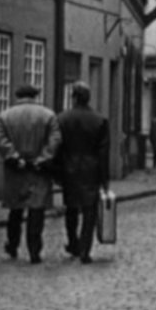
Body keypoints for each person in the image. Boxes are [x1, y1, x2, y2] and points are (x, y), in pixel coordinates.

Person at [0, 83, 61, 264]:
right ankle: (34, 251)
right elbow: (55, 140)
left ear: (18, 96)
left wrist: (14, 157)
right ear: (35, 96)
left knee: (16, 209)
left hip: (16, 171)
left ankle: (13, 245)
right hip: (39, 171)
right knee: (36, 211)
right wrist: (42, 158)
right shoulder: (47, 115)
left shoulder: (6, 116)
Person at [56, 81, 109, 264]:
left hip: (69, 167)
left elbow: (57, 147)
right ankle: (85, 249)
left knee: (71, 208)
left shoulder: (62, 119)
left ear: (74, 98)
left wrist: (57, 172)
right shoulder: (99, 120)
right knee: (89, 211)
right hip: (91, 169)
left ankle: (73, 243)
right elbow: (103, 153)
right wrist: (104, 179)